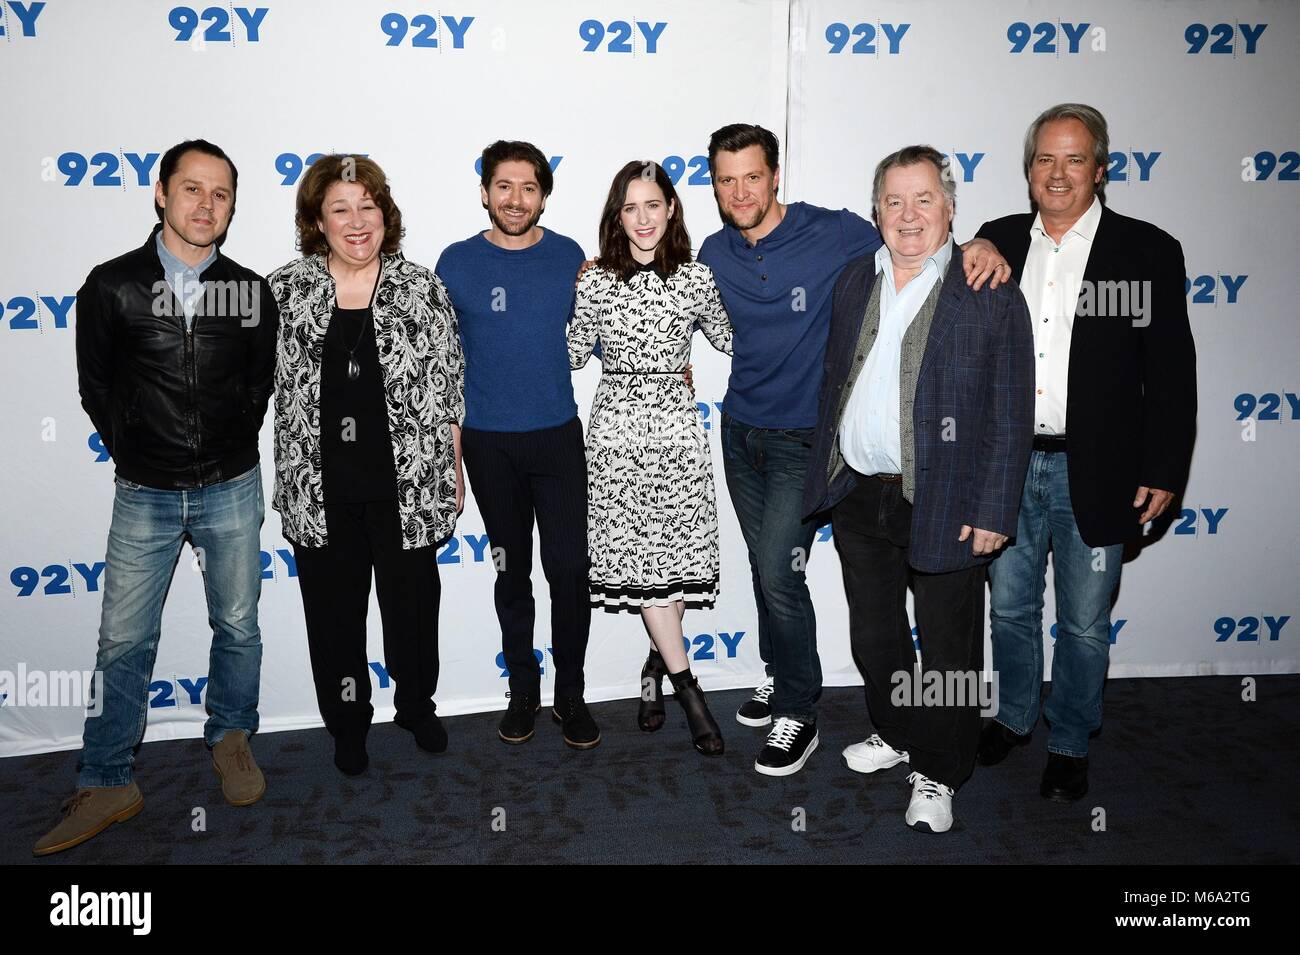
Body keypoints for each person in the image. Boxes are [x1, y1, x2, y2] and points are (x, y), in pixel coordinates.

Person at [697, 123, 1012, 776]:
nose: (740, 189)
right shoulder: (747, 257)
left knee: (942, 640)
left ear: (775, 174)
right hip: (806, 462)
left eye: (752, 175)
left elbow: (1007, 402)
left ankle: (879, 744)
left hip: (883, 472)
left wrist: (987, 242)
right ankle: (878, 722)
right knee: (850, 617)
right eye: (726, 179)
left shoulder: (849, 238)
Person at [36, 140, 277, 856]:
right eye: (193, 189)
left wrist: (226, 446)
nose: (207, 205)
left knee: (237, 623)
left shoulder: (250, 290)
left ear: (233, 206)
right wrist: (140, 448)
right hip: (144, 490)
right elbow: (97, 387)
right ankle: (108, 777)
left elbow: (258, 384)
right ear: (161, 194)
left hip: (232, 483)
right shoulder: (113, 285)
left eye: (222, 194)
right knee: (124, 640)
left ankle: (231, 737)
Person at [804, 146, 1034, 832]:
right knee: (876, 637)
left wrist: (995, 506)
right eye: (895, 201)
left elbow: (1011, 407)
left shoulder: (986, 287)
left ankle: (940, 768)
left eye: (924, 199)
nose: (909, 216)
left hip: (950, 499)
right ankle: (898, 731)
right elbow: (835, 381)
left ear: (950, 207)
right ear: (876, 209)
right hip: (860, 492)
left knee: (948, 649)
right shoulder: (853, 280)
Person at [973, 104, 1197, 802]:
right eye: (1045, 159)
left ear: (1100, 169)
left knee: (1083, 621)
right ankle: (1013, 716)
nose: (1058, 173)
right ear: (1029, 170)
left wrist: (1164, 468)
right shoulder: (999, 240)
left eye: (1074, 159)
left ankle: (1069, 740)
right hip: (1008, 466)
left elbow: (1170, 371)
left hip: (1096, 472)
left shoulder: (1147, 250)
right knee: (1009, 609)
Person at [267, 155, 464, 776]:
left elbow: (449, 382)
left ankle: (415, 704)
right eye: (340, 209)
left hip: (407, 485)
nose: (357, 222)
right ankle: (349, 725)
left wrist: (453, 468)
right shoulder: (284, 290)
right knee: (334, 620)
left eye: (368, 207)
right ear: (316, 221)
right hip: (319, 490)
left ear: (386, 215)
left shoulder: (420, 286)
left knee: (412, 611)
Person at [436, 141, 599, 749]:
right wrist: (450, 456)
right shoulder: (455, 263)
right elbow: (443, 367)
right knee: (512, 572)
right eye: (503, 186)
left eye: (528, 188)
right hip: (486, 443)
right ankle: (523, 691)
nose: (515, 199)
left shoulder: (570, 257)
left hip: (557, 435)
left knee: (569, 570)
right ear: (485, 192)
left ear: (544, 196)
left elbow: (605, 332)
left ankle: (571, 695)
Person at [569, 161, 733, 755]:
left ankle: (653, 668)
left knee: (674, 564)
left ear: (670, 209)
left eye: (652, 205)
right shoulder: (595, 281)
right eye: (629, 208)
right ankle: (690, 691)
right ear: (618, 215)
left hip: (677, 431)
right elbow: (571, 355)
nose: (642, 219)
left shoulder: (696, 277)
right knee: (646, 567)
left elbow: (730, 339)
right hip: (616, 436)